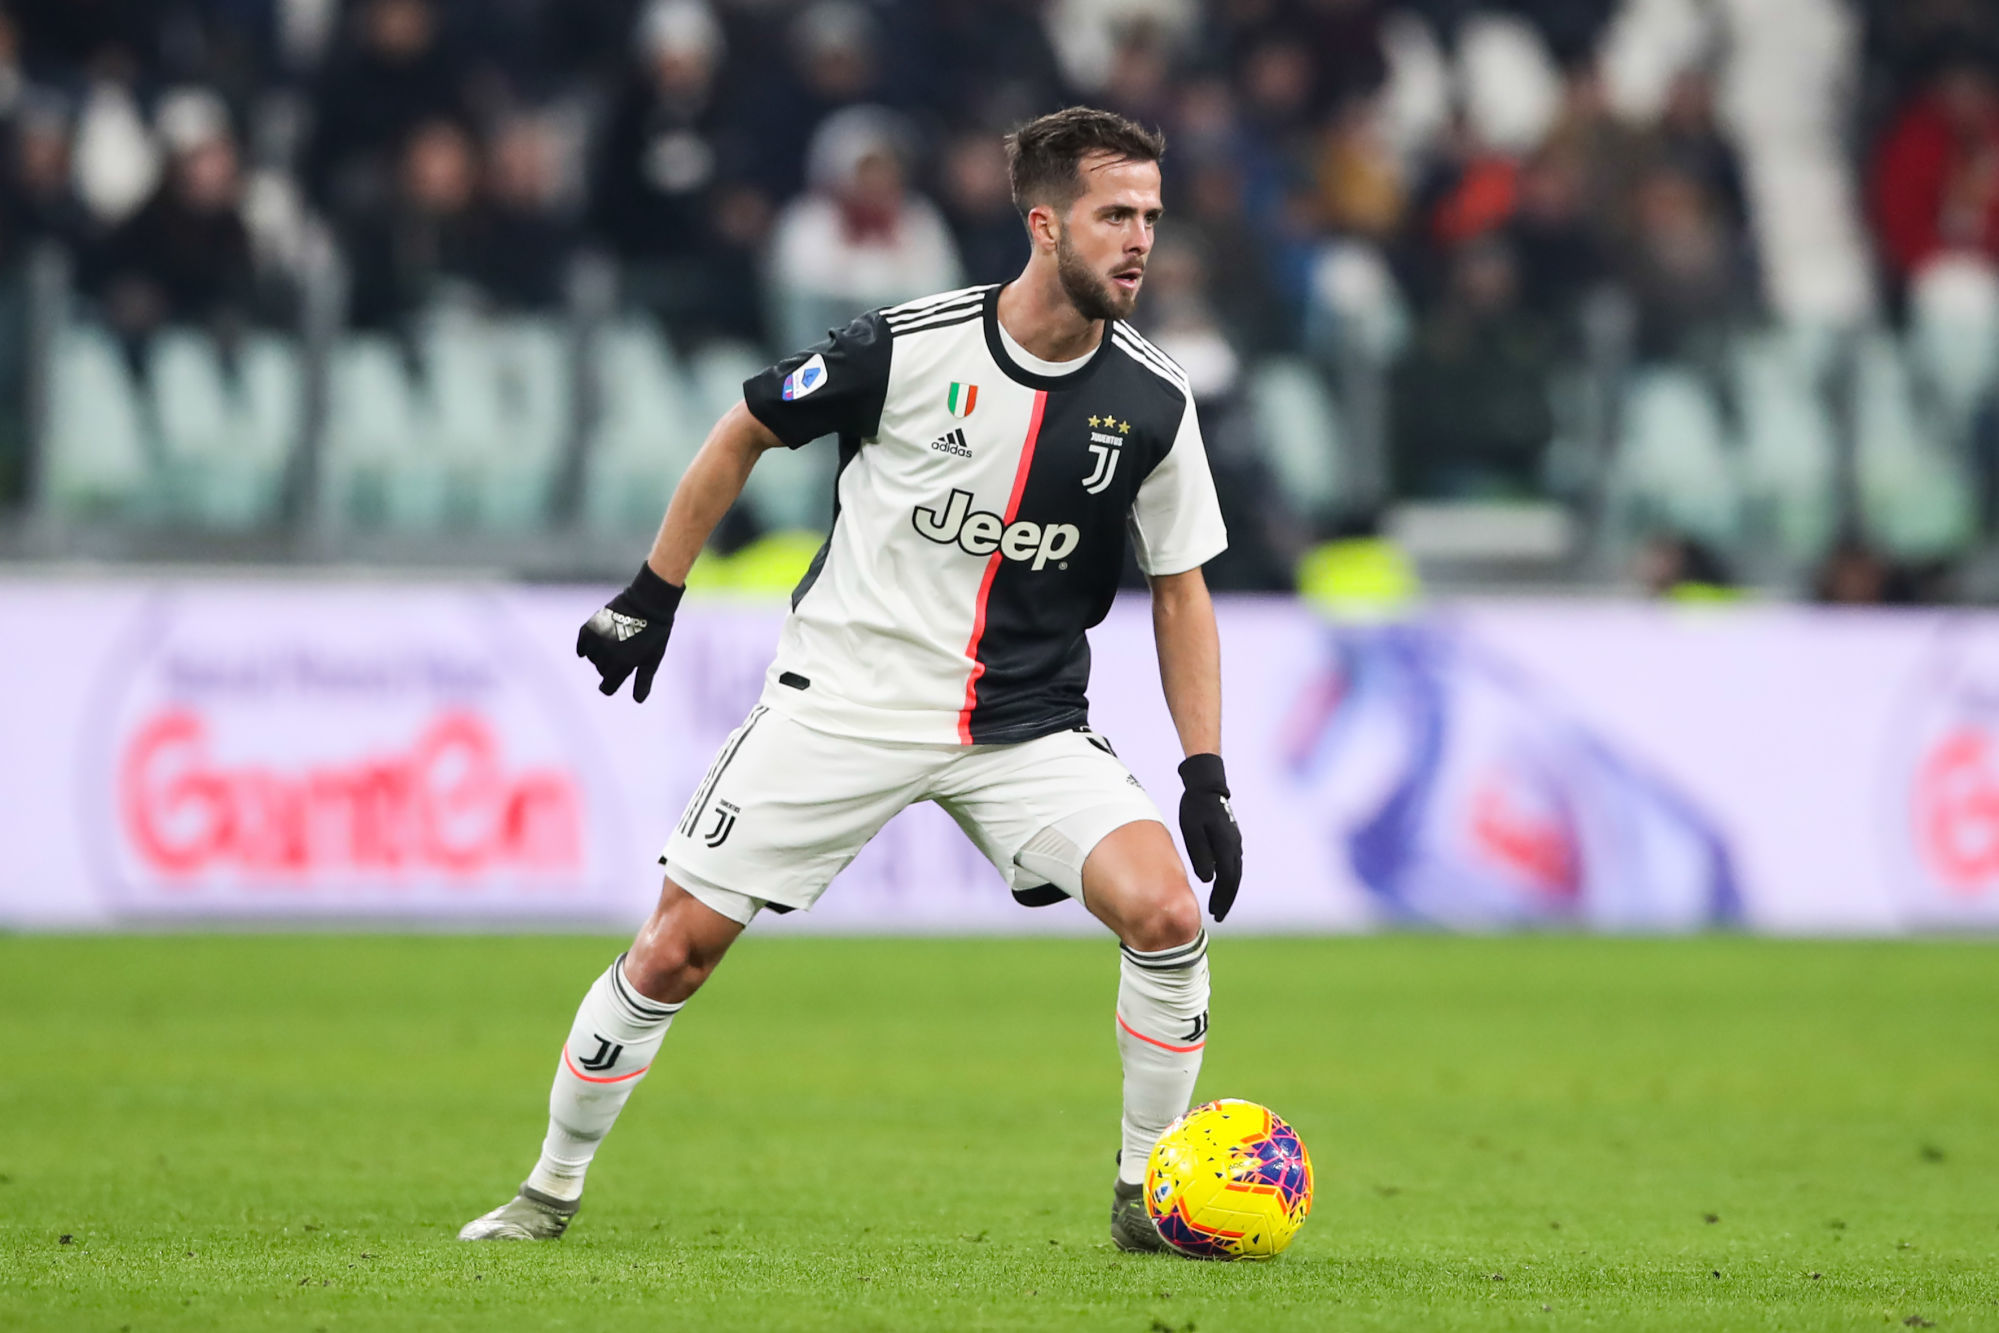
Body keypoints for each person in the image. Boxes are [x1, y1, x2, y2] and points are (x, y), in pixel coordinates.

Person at [459, 106, 1244, 1254]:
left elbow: (1181, 588)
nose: (1139, 240)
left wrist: (1204, 771)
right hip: (846, 700)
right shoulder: (908, 347)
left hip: (1021, 724)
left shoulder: (1153, 402)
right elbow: (742, 428)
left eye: (1150, 217)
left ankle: (1143, 1195)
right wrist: (652, 592)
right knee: (675, 949)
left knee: (1168, 914)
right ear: (1043, 225)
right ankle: (548, 1188)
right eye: (1114, 215)